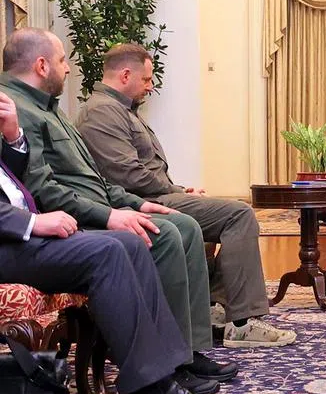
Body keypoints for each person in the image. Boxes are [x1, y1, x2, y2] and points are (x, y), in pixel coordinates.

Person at [0, 29, 235, 394]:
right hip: (54, 222)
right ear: (42, 65)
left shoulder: (43, 108)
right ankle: (161, 378)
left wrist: (135, 203)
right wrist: (106, 216)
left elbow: (79, 176)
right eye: (62, 60)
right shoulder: (21, 106)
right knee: (155, 237)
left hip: (65, 216)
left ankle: (179, 359)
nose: (69, 67)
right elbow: (41, 188)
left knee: (179, 228)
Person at [75, 43, 294, 349]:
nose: (150, 86)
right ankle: (242, 323)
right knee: (238, 214)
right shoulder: (101, 112)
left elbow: (140, 169)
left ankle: (215, 309)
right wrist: (176, 191)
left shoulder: (119, 109)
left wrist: (179, 189)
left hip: (154, 196)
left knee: (230, 214)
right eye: (146, 79)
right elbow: (127, 176)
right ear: (125, 75)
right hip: (138, 203)